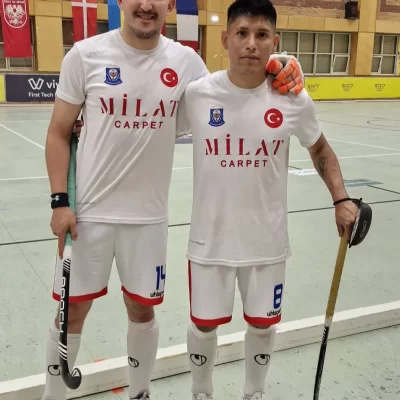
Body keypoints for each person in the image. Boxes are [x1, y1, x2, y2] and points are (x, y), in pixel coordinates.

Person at [43, 0, 304, 399]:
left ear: (169, 5)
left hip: (149, 219)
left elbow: (235, 86)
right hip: (88, 215)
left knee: (141, 309)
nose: (146, 5)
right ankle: (52, 396)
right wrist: (60, 201)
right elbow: (59, 132)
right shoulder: (85, 55)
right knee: (71, 311)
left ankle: (140, 393)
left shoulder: (187, 63)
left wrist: (282, 63)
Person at [176, 1, 359, 399]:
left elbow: (320, 149)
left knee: (263, 324)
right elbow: (152, 127)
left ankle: (253, 393)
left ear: (275, 42)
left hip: (267, 243)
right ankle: (201, 392)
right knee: (204, 325)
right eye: (242, 33)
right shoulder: (197, 94)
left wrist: (341, 198)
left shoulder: (292, 99)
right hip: (209, 243)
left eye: (261, 35)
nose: (251, 44)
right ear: (225, 39)